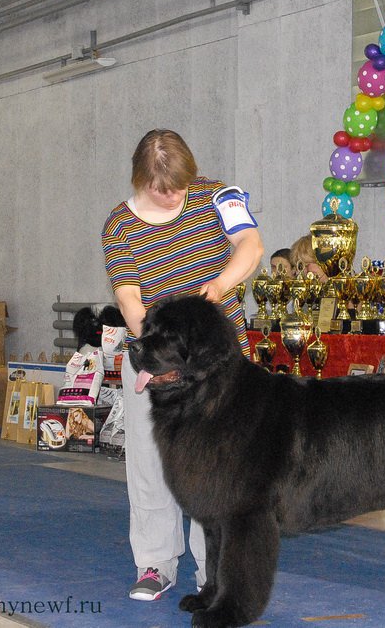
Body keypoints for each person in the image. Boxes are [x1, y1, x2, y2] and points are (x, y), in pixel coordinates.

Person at [101, 129, 264, 602]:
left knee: (219, 469)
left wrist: (214, 291)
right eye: (163, 188)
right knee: (151, 464)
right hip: (158, 360)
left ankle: (214, 573)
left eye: (180, 186)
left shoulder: (218, 196)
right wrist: (151, 342)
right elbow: (129, 299)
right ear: (141, 179)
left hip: (218, 364)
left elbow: (250, 248)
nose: (174, 195)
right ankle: (155, 563)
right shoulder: (120, 224)